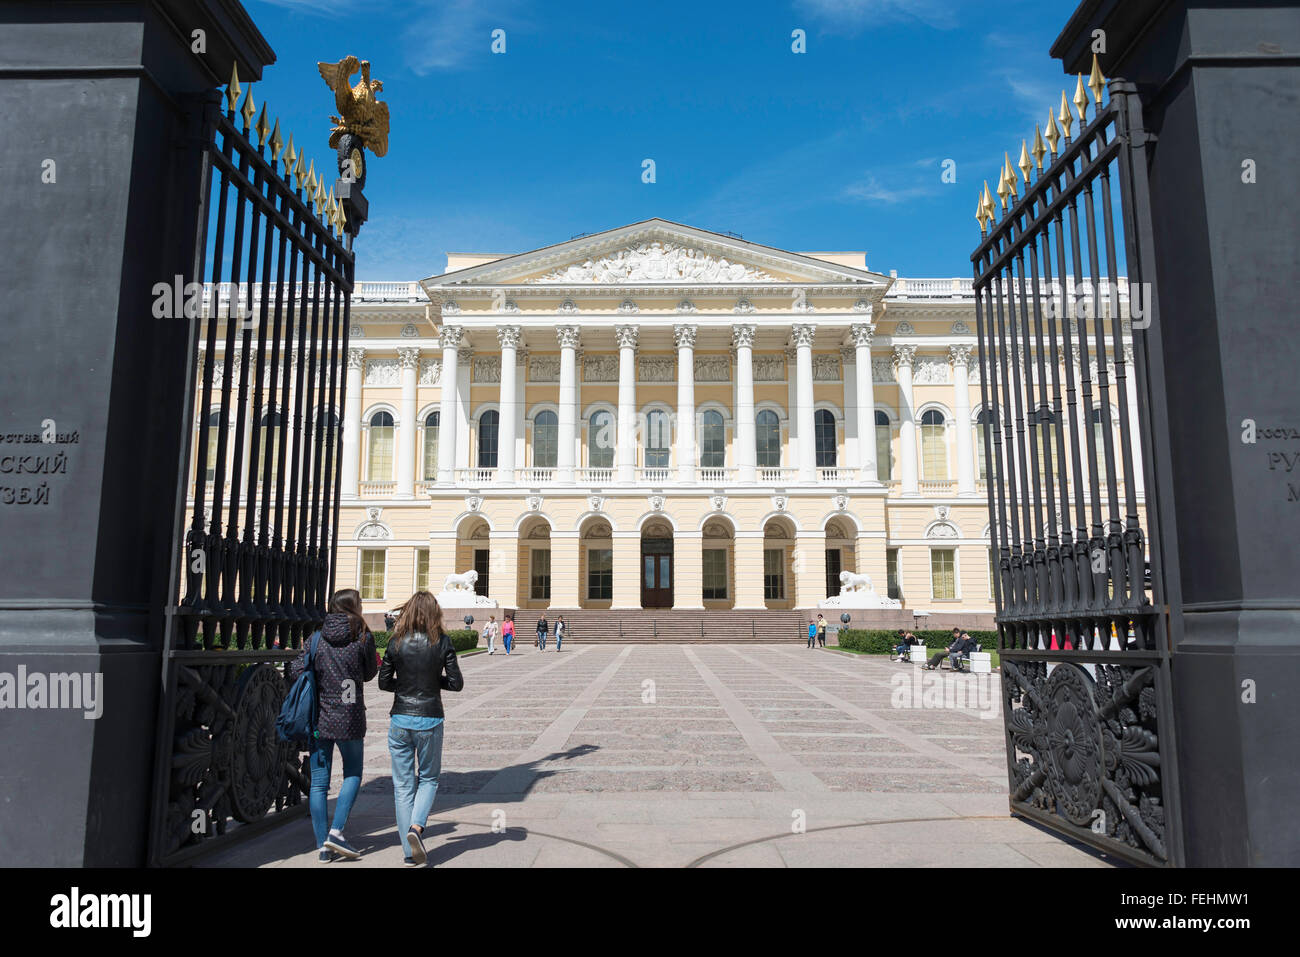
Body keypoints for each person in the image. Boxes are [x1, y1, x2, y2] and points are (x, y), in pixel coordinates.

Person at [288, 588, 378, 863]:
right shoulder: (363, 636)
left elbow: (294, 671)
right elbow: (370, 673)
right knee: (352, 772)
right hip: (350, 716)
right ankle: (336, 831)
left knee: (318, 784)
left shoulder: (315, 639)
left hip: (319, 718)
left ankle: (322, 846)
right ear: (354, 607)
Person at [378, 591, 464, 866]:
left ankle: (408, 852)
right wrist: (430, 683)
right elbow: (455, 683)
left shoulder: (396, 641)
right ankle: (417, 827)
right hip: (429, 718)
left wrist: (405, 687)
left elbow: (383, 682)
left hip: (400, 719)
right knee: (428, 779)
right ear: (434, 613)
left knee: (403, 786)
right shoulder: (442, 642)